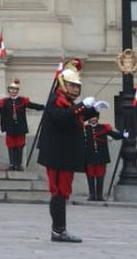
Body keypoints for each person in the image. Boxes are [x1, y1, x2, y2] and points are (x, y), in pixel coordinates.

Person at [37, 66, 103, 243]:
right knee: (58, 191)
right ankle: (58, 230)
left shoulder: (66, 101)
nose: (75, 88)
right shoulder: (56, 99)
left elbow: (75, 117)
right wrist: (82, 106)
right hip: (57, 155)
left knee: (64, 191)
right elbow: (62, 118)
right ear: (62, 84)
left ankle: (60, 229)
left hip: (65, 155)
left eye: (77, 86)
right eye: (72, 85)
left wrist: (94, 109)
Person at [0, 79, 43, 170]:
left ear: (17, 91)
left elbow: (32, 105)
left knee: (19, 145)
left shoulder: (22, 100)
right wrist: (3, 127)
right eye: (11, 89)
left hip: (20, 127)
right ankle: (12, 164)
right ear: (9, 90)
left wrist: (42, 107)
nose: (13, 91)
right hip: (10, 127)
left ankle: (18, 164)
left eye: (15, 89)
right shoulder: (4, 102)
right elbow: (2, 116)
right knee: (11, 145)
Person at [83, 111, 126, 202]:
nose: (93, 119)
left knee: (100, 175)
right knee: (90, 176)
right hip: (89, 156)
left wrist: (124, 135)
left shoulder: (103, 128)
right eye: (91, 117)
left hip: (101, 156)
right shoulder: (84, 129)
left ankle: (99, 195)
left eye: (95, 117)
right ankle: (92, 195)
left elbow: (114, 135)